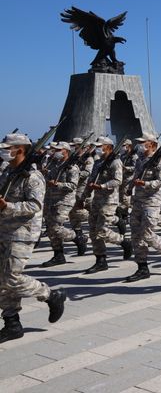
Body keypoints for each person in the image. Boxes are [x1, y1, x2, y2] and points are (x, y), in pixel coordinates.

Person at [0, 133, 66, 342]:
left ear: (19, 149)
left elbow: (34, 206)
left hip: (22, 233)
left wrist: (7, 206)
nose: (4, 151)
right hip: (3, 229)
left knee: (12, 277)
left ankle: (50, 295)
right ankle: (12, 322)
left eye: (7, 148)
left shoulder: (32, 176)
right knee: (2, 279)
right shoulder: (7, 171)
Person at [125, 133, 161, 282]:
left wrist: (145, 184)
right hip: (138, 201)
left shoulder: (160, 161)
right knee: (136, 235)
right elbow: (136, 175)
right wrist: (130, 188)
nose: (141, 145)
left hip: (152, 202)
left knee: (146, 234)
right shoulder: (140, 159)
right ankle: (142, 268)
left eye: (144, 142)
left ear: (153, 145)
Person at [83, 137, 133, 274]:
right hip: (96, 200)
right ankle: (101, 260)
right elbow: (91, 180)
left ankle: (124, 242)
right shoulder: (98, 162)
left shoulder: (115, 162)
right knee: (93, 231)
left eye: (101, 146)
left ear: (109, 147)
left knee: (102, 230)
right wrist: (85, 195)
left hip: (109, 200)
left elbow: (117, 181)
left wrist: (102, 186)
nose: (98, 148)